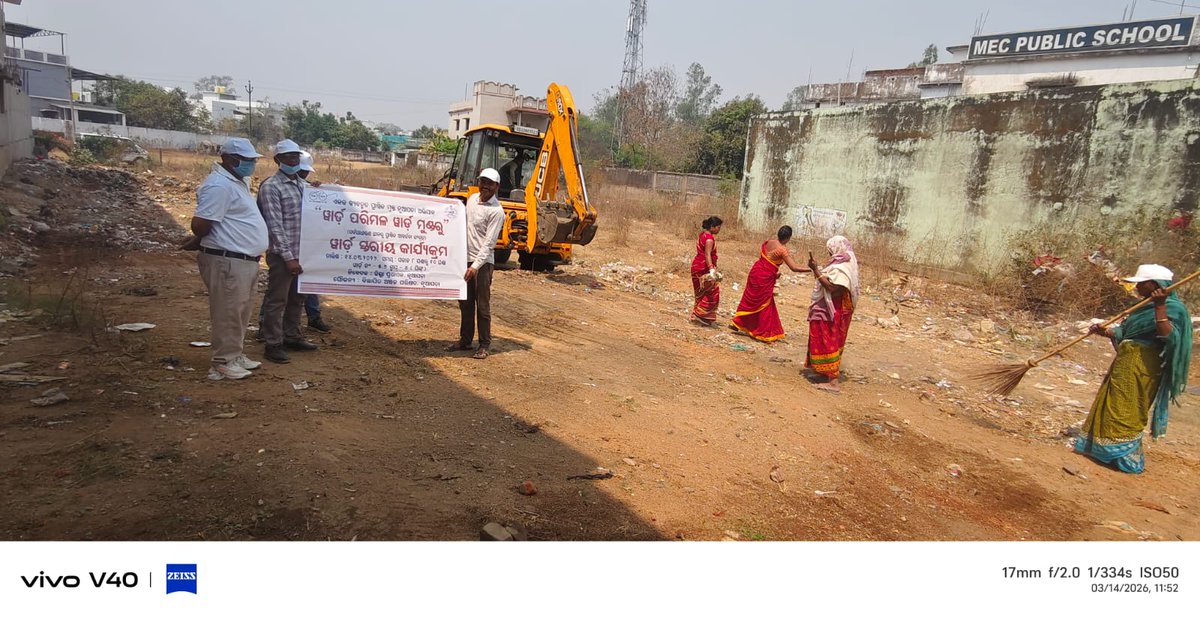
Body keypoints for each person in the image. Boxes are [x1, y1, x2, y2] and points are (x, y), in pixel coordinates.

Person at [1076, 264, 1192, 473]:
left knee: (1130, 408)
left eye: (1141, 283)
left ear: (1154, 285)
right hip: (1126, 362)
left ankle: (1126, 458)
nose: (1137, 287)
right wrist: (1107, 332)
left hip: (1144, 367)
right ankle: (1103, 451)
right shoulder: (1143, 307)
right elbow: (1128, 333)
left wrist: (1160, 307)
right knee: (1113, 403)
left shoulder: (1174, 309)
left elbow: (1170, 337)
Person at [183, 138, 268, 380]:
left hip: (243, 259)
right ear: (230, 159)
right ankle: (222, 362)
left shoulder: (236, 182)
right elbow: (201, 224)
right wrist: (198, 238)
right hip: (228, 259)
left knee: (240, 310)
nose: (252, 164)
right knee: (228, 311)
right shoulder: (219, 186)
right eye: (248, 160)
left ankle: (235, 354)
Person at [259, 139, 318, 364]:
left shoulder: (303, 186)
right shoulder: (271, 187)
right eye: (288, 157)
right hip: (283, 255)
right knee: (277, 300)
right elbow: (275, 226)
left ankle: (292, 336)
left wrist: (323, 192)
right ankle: (273, 343)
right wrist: (288, 258)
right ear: (278, 160)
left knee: (297, 298)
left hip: (304, 253)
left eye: (296, 156)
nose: (293, 160)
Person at [448, 168, 505, 359]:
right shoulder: (472, 200)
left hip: (482, 265)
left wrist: (475, 267)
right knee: (465, 303)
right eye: (483, 182)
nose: (485, 186)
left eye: (490, 183)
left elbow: (489, 244)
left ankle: (484, 345)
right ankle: (465, 340)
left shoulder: (497, 212)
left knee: (482, 306)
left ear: (497, 186)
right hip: (464, 259)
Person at [730, 225, 807, 342]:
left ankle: (738, 323)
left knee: (749, 300)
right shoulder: (782, 250)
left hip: (756, 272)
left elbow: (768, 260)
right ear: (788, 238)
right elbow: (794, 267)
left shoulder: (769, 242)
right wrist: (812, 269)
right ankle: (763, 332)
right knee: (764, 303)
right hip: (765, 278)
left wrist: (774, 273)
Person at [804, 235, 860, 392]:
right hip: (828, 309)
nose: (830, 254)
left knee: (830, 340)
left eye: (831, 250)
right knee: (821, 337)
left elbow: (833, 288)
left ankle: (833, 381)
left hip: (834, 310)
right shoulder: (840, 263)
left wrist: (815, 270)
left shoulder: (844, 267)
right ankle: (823, 371)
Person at [297, 151, 331, 333]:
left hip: (308, 245)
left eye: (306, 171)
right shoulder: (275, 187)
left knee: (311, 281)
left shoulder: (308, 188)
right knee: (279, 291)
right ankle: (267, 325)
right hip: (289, 246)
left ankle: (314, 317)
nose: (304, 174)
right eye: (301, 170)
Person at [690, 216, 723, 326]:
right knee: (713, 292)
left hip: (697, 265)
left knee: (700, 292)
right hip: (703, 267)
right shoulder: (709, 239)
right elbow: (707, 254)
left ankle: (700, 315)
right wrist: (711, 269)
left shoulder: (702, 235)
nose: (719, 229)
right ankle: (700, 315)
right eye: (718, 227)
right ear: (712, 227)